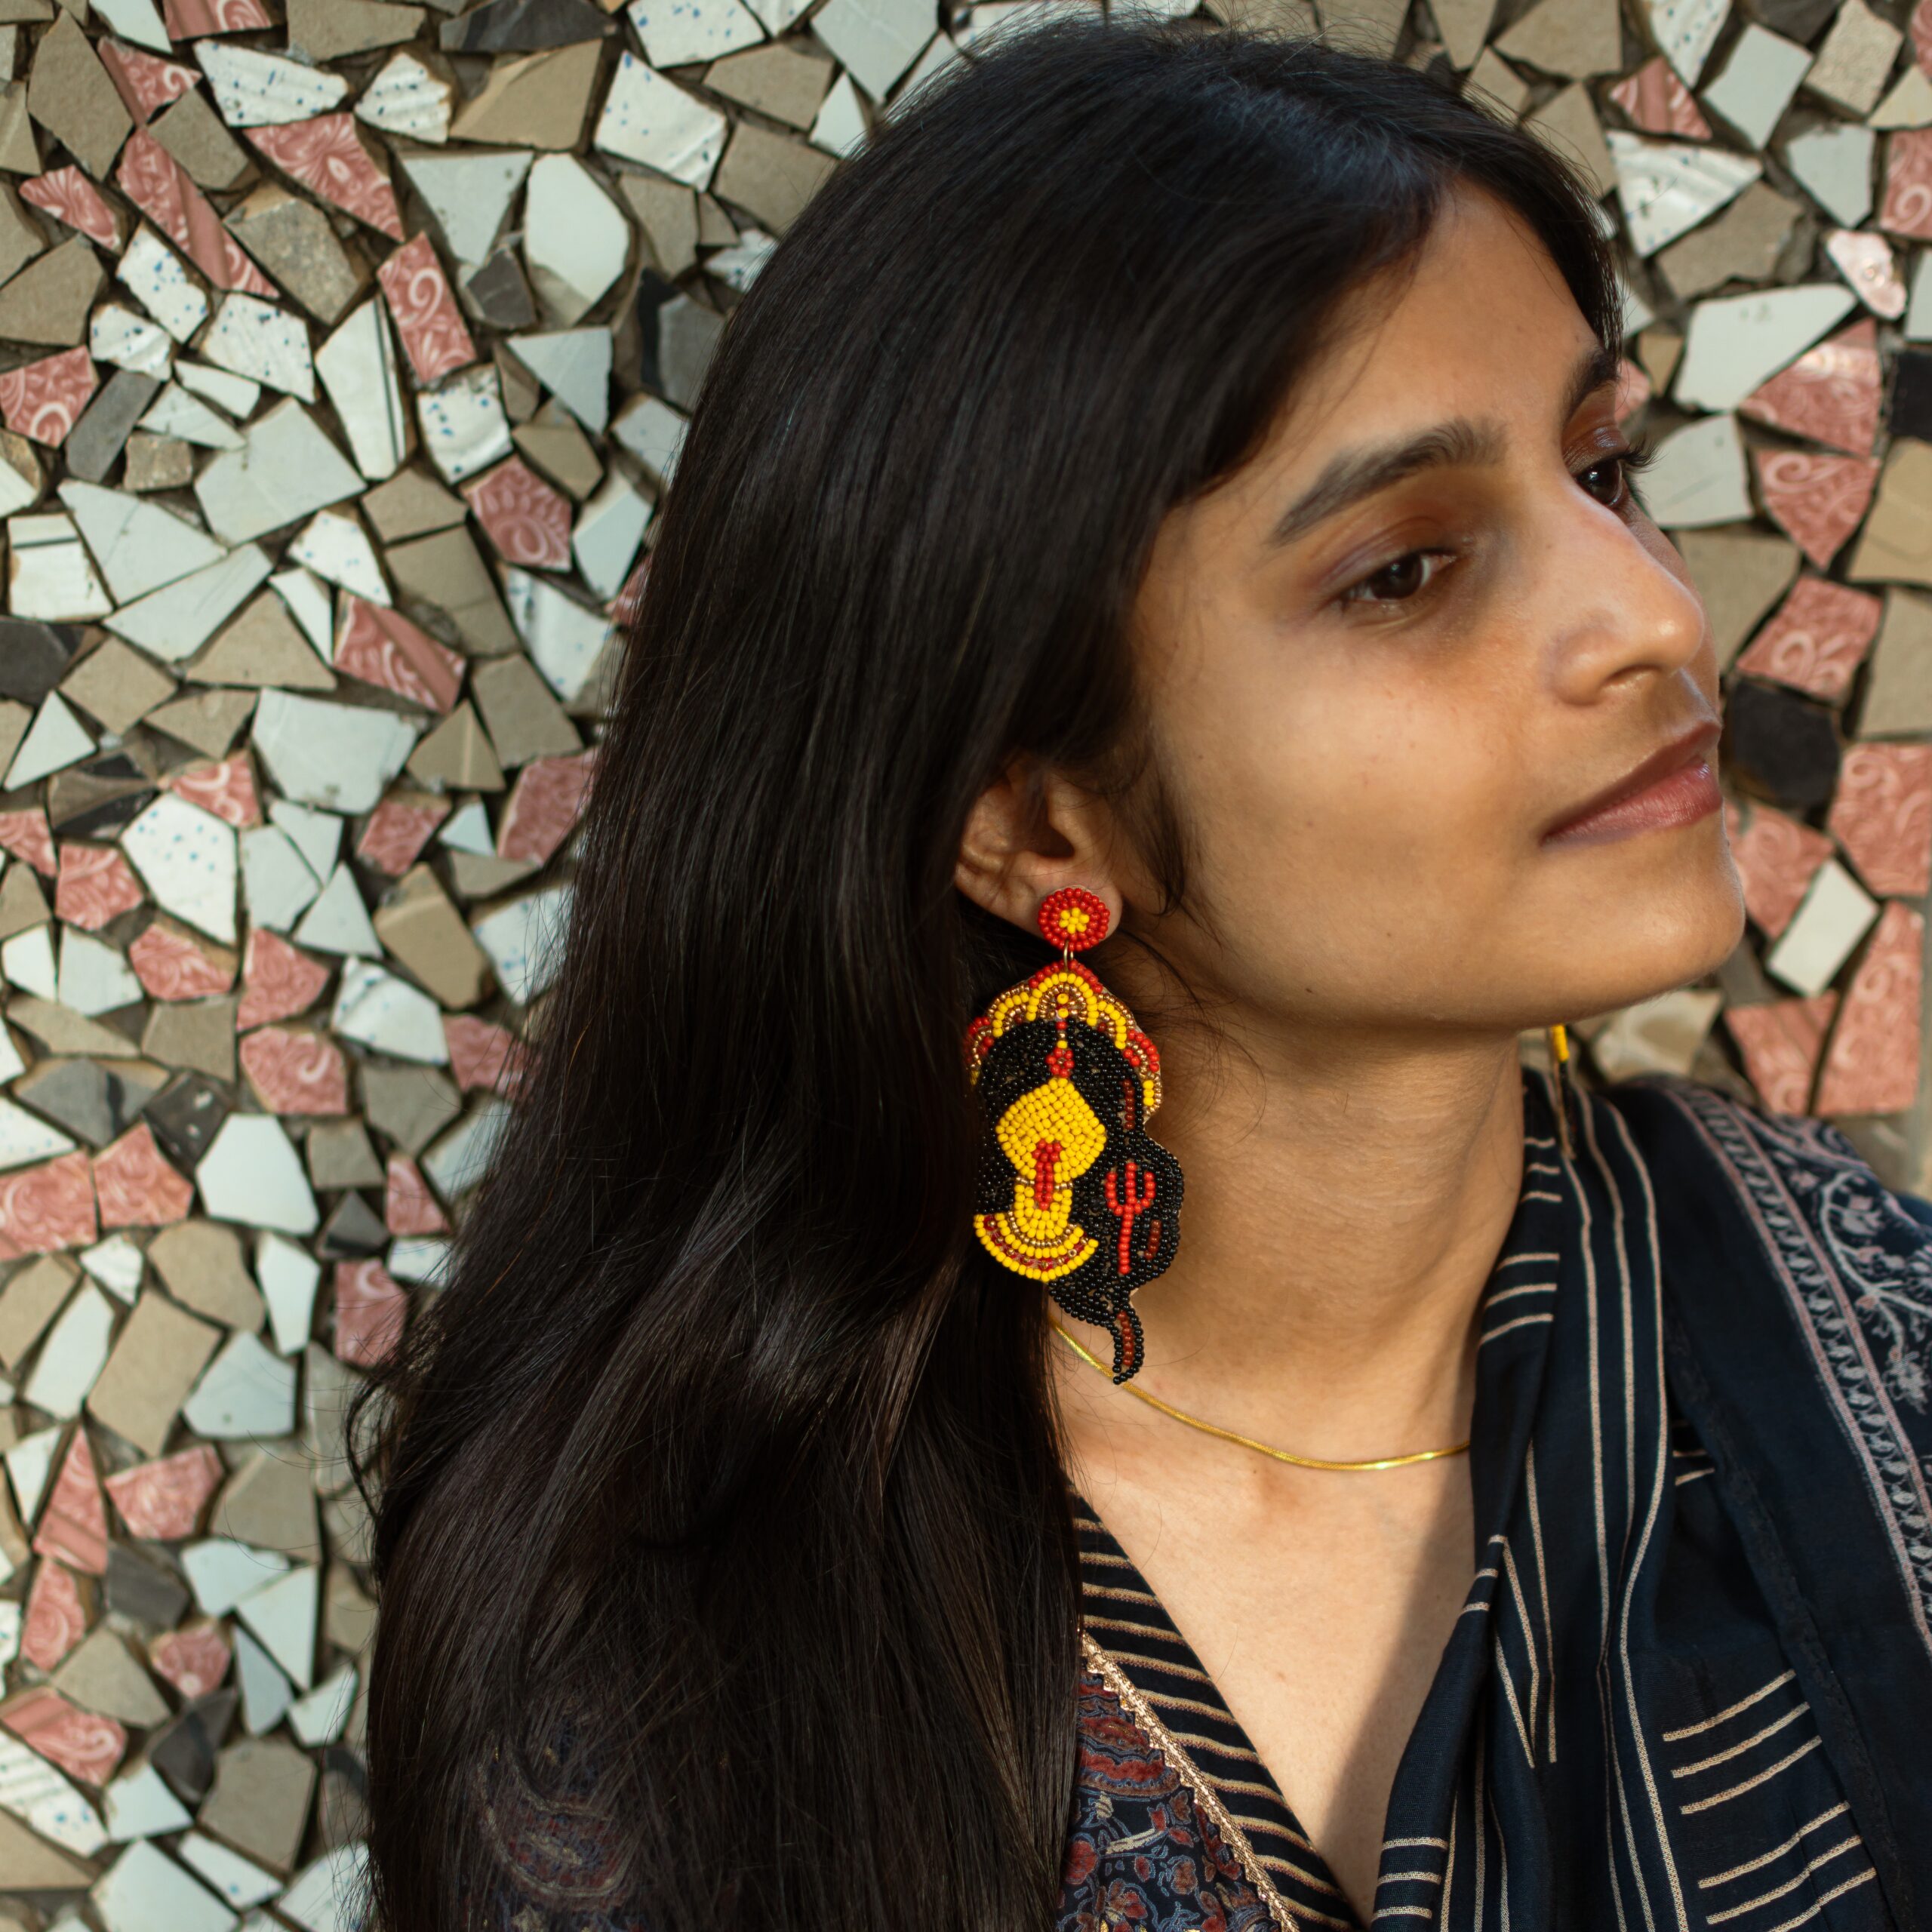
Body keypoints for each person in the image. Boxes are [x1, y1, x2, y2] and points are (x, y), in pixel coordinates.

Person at [350, 14, 1932, 1932]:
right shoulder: (695, 1640)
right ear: (1035, 822)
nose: (1656, 616)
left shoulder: (1871, 1357)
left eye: (1600, 466)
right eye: (1406, 570)